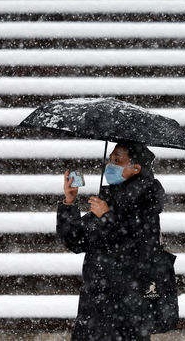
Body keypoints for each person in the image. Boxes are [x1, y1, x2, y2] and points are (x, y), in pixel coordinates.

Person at [57, 140, 172, 341]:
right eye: (110, 159)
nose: (110, 165)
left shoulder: (147, 200)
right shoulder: (109, 199)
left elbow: (138, 246)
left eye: (117, 160)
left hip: (128, 306)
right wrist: (69, 203)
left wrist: (107, 217)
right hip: (95, 302)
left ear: (136, 168)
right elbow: (75, 242)